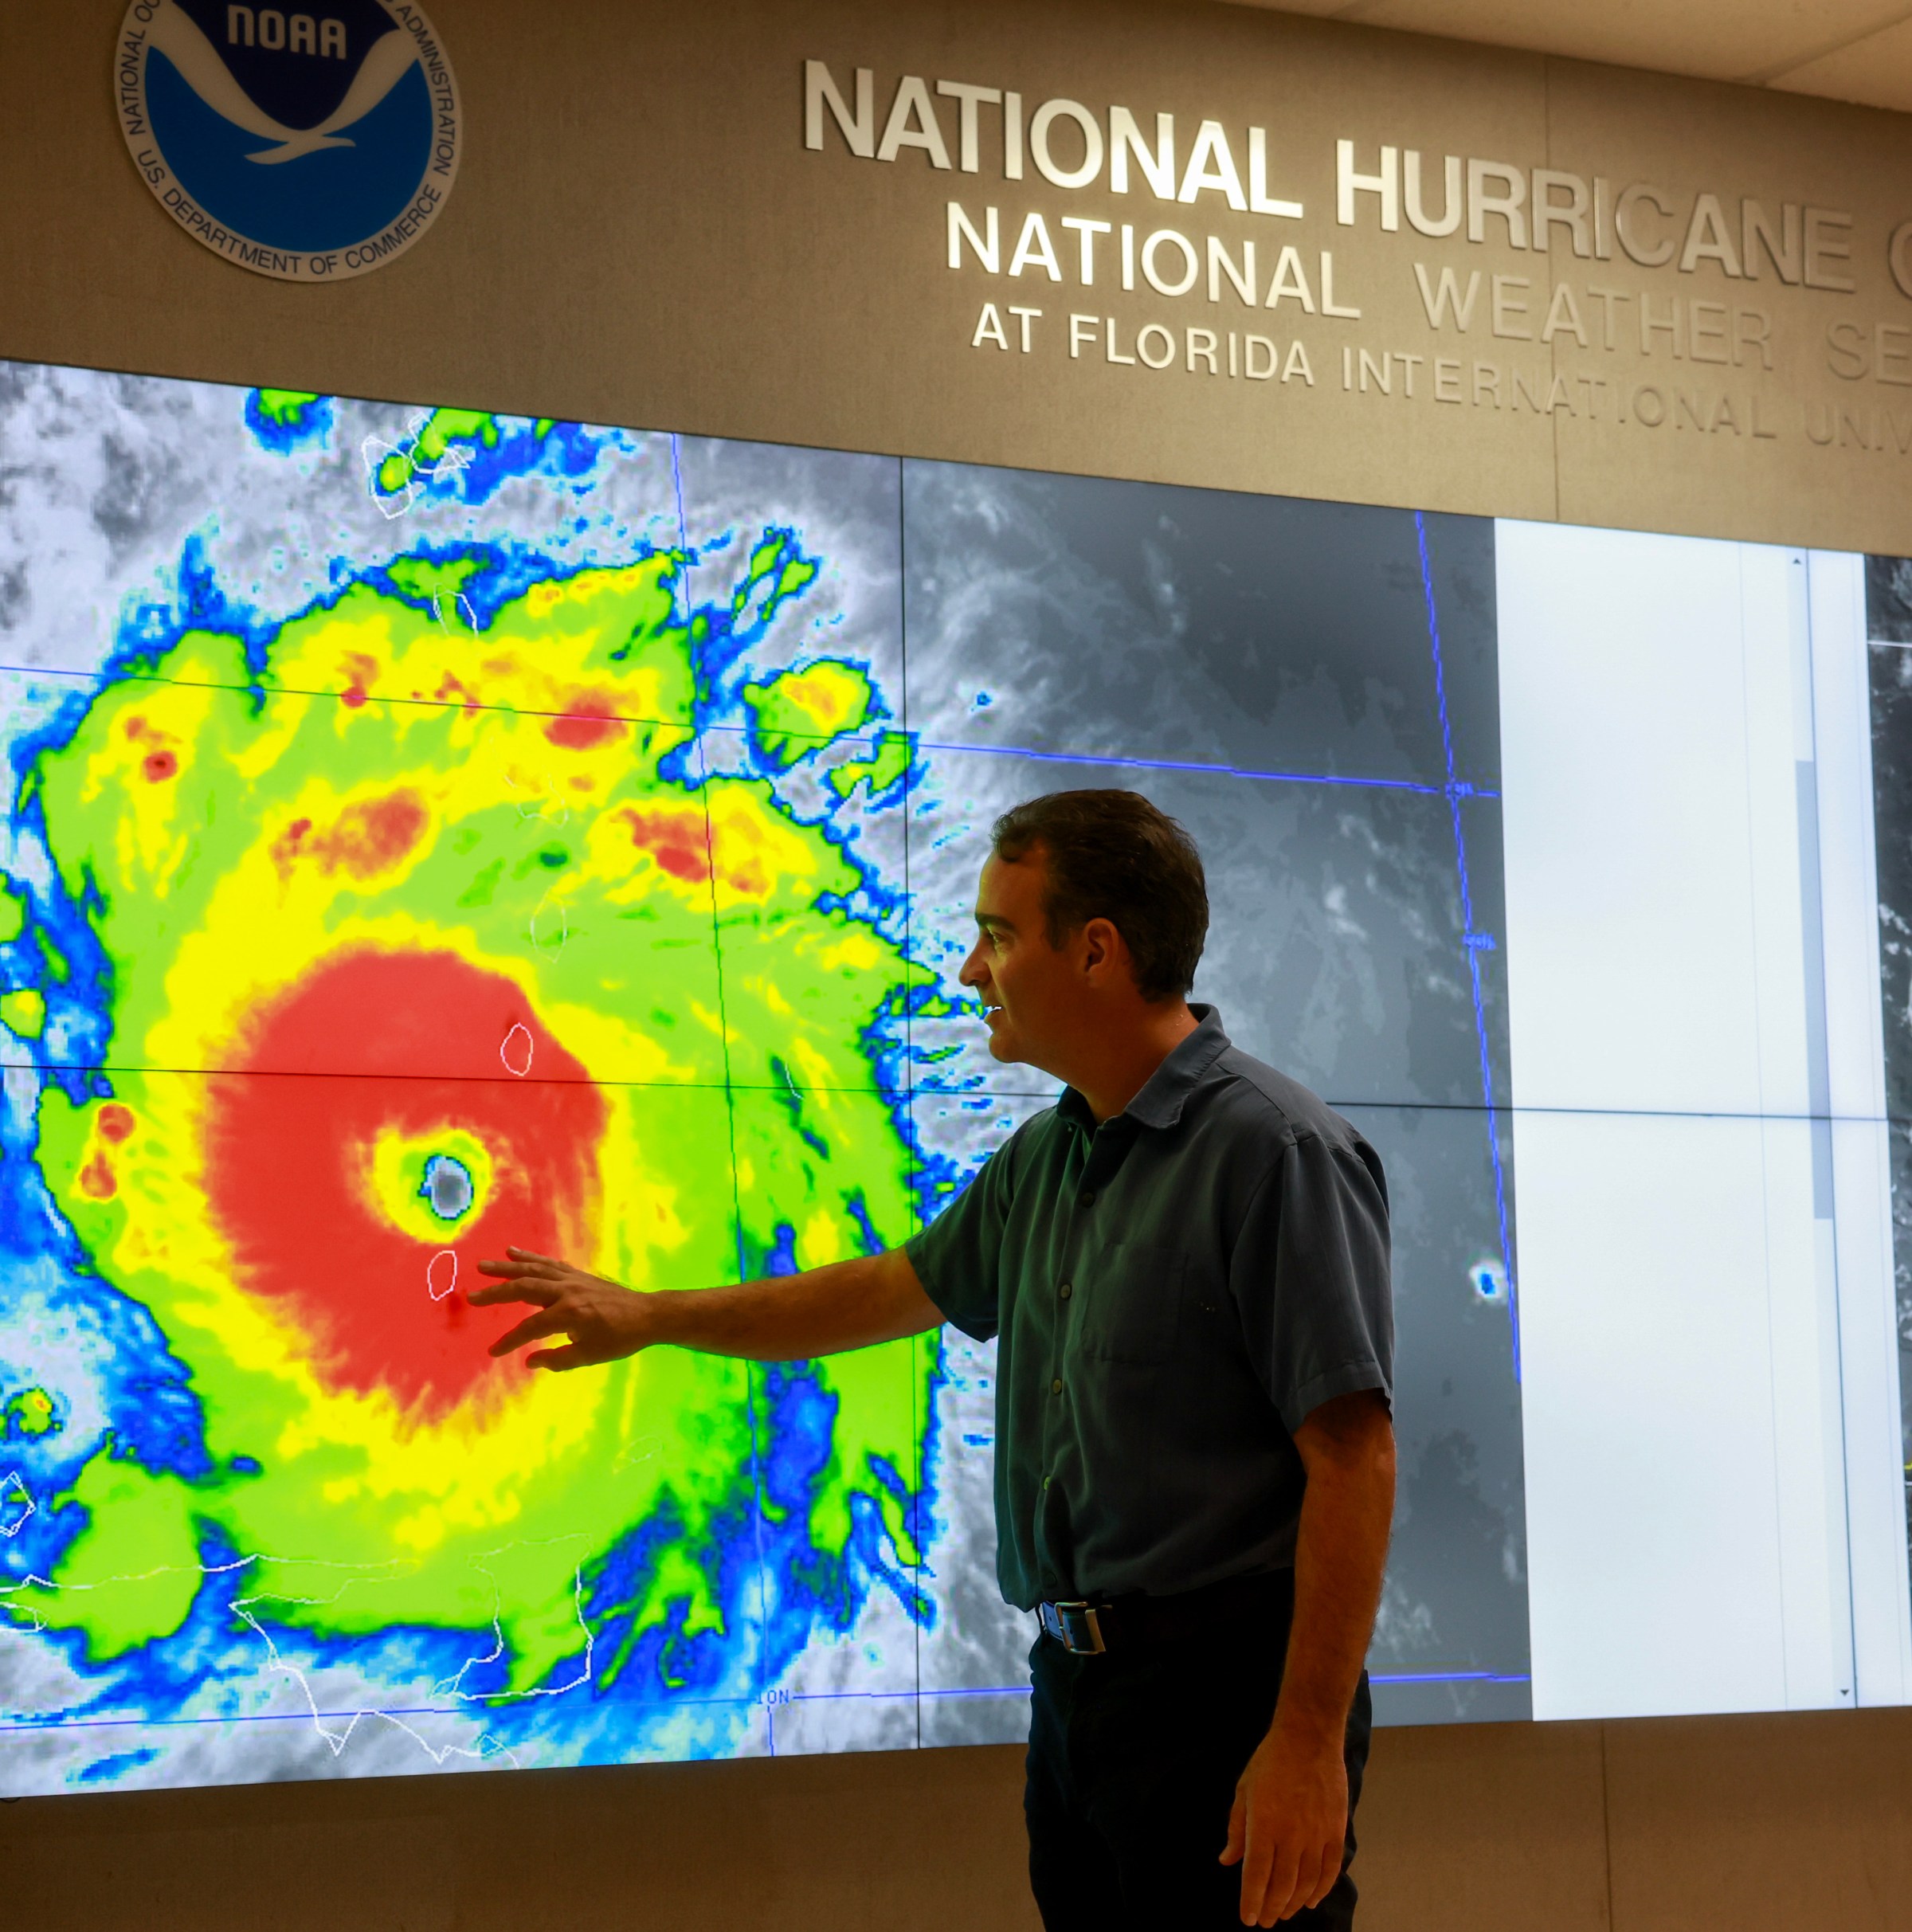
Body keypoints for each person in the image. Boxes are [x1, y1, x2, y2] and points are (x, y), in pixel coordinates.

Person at [471, 788, 1396, 1930]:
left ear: (1096, 951)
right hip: (1075, 1695)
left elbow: (1355, 1457)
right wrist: (652, 1315)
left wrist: (1305, 1743)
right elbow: (885, 1291)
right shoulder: (1046, 1158)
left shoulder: (1276, 1152)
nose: (970, 970)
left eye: (998, 936)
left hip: (1224, 1704)